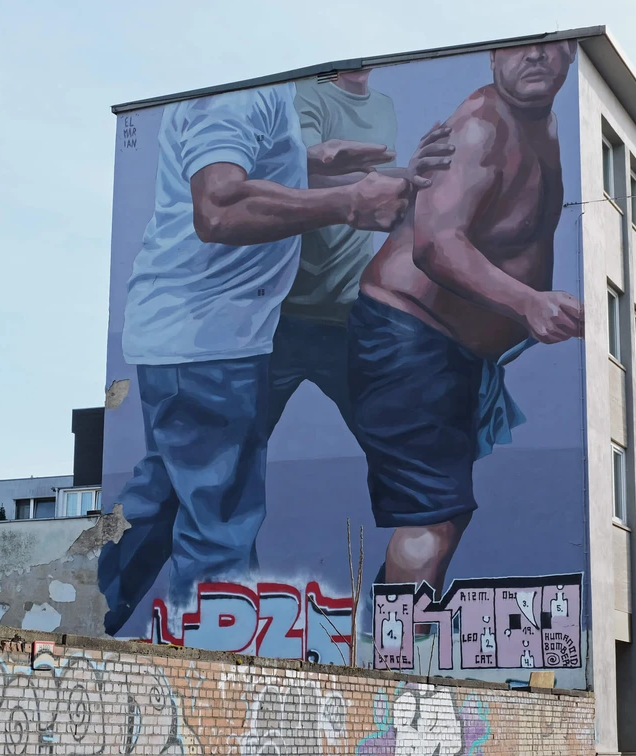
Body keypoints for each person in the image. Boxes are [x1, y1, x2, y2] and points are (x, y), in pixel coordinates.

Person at [98, 81, 412, 636]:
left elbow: (232, 169)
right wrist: (347, 203)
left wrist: (308, 160)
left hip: (188, 341)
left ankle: (74, 619)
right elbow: (218, 207)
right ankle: (212, 695)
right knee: (218, 529)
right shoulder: (237, 93)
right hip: (211, 347)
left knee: (159, 504)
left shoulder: (246, 91)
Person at [348, 42, 585, 599]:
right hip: (408, 339)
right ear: (493, 58)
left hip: (447, 351)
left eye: (551, 45)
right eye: (522, 47)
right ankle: (393, 674)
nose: (537, 56)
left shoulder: (544, 123)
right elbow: (436, 245)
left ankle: (391, 653)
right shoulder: (480, 126)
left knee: (445, 517)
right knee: (431, 518)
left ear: (571, 53)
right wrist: (528, 303)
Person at [264, 70, 454, 439]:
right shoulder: (308, 93)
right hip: (282, 317)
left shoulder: (384, 106)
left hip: (348, 314)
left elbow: (375, 180)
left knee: (393, 444)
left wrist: (409, 175)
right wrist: (393, 181)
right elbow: (302, 172)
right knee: (237, 452)